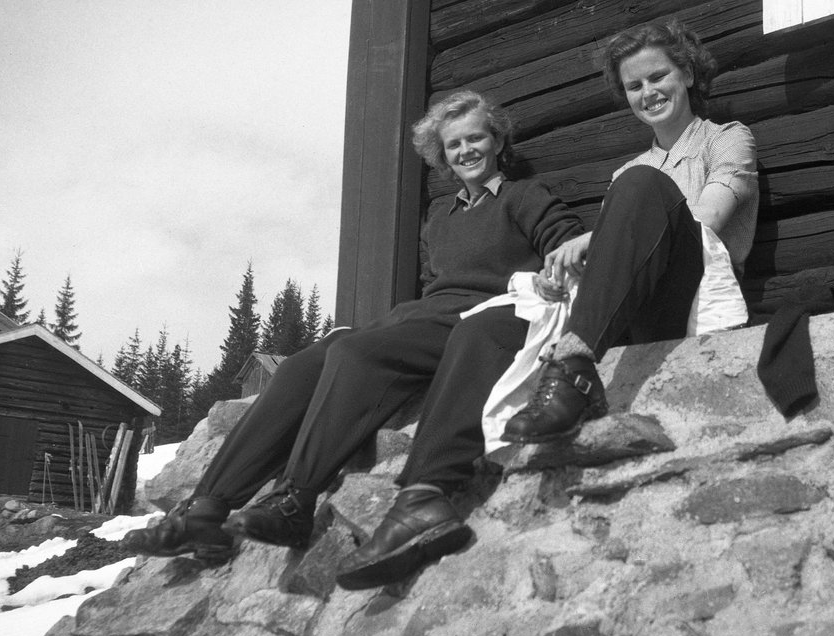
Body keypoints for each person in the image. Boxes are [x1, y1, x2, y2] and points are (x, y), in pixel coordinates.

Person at [122, 91, 583, 590]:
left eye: (476, 137)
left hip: (482, 315)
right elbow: (437, 286)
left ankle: (295, 499)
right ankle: (207, 510)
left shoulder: (523, 195)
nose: (466, 150)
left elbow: (567, 242)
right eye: (454, 144)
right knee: (301, 365)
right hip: (426, 316)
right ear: (441, 154)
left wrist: (556, 271)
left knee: (353, 352)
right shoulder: (442, 217)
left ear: (497, 140)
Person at [501, 20, 759, 444]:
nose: (648, 92)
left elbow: (706, 220)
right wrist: (566, 276)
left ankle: (572, 369)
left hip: (694, 294)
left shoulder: (727, 139)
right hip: (642, 312)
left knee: (642, 184)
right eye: (634, 85)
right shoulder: (625, 173)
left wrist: (592, 238)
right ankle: (568, 369)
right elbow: (619, 258)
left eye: (658, 76)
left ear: (688, 75)